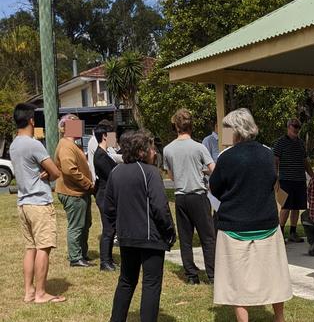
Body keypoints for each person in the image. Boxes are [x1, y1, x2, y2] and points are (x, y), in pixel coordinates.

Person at [210, 108, 292, 322]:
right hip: (266, 224)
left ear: (235, 131)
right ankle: (279, 318)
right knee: (275, 276)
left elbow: (215, 188)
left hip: (234, 227)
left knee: (237, 280)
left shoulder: (226, 157)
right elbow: (272, 180)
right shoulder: (267, 153)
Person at [106, 130, 176, 322]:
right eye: (151, 148)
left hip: (127, 238)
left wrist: (118, 229)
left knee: (126, 282)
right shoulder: (151, 172)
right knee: (151, 284)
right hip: (151, 239)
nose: (155, 152)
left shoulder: (116, 172)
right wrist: (169, 231)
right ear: (141, 151)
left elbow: (109, 208)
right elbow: (160, 206)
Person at [10, 103, 66, 304]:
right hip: (39, 203)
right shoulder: (34, 144)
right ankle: (41, 293)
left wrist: (42, 171)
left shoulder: (14, 144)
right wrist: (47, 173)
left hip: (23, 203)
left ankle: (29, 291)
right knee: (44, 247)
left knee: (30, 248)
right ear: (31, 120)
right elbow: (56, 172)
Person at [163, 109, 216, 284]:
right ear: (191, 126)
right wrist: (202, 171)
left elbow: (171, 175)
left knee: (185, 238)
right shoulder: (199, 147)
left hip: (180, 197)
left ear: (176, 126)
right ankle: (212, 274)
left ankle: (191, 275)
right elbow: (213, 169)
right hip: (198, 195)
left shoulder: (168, 149)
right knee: (207, 237)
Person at [54, 114, 94, 267]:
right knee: (77, 225)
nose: (79, 128)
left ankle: (81, 254)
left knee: (85, 224)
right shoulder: (66, 145)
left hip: (79, 192)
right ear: (65, 128)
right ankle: (75, 257)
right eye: (75, 125)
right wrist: (87, 184)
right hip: (73, 192)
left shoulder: (72, 144)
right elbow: (69, 170)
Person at [274, 118, 314, 243]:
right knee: (285, 207)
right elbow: (275, 161)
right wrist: (275, 179)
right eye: (294, 126)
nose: (296, 128)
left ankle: (293, 232)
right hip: (285, 180)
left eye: (298, 126)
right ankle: (280, 234)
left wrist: (312, 176)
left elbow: (305, 162)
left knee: (296, 207)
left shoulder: (301, 143)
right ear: (288, 127)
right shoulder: (280, 142)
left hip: (299, 180)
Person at [93, 121, 118, 271]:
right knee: (108, 230)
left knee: (111, 229)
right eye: (111, 135)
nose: (114, 138)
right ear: (104, 136)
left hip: (107, 196)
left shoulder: (105, 154)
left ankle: (108, 259)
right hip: (104, 196)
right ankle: (104, 262)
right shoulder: (100, 156)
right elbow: (111, 175)